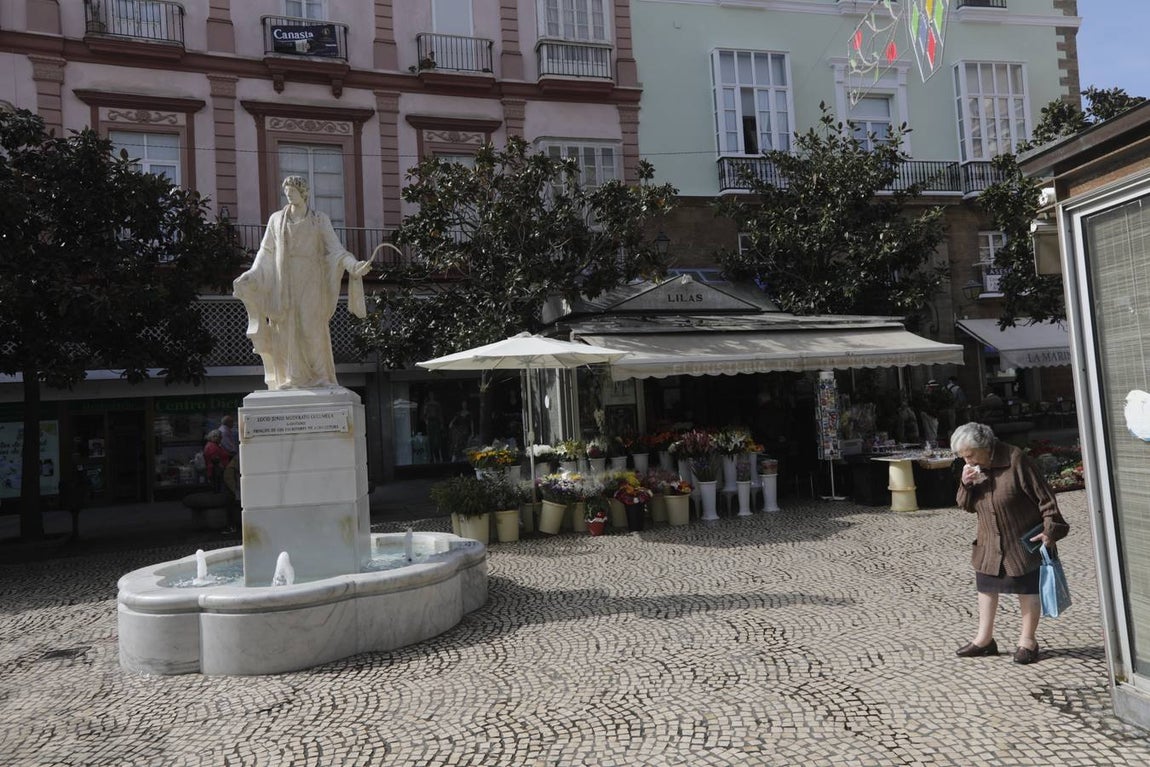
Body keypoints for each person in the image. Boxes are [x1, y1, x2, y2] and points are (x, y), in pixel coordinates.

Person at [233, 175, 373, 390]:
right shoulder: (276, 219)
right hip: (284, 281)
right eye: (286, 192)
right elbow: (266, 250)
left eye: (293, 191)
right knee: (287, 329)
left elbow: (336, 250)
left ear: (303, 192)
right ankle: (292, 377)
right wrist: (253, 272)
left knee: (311, 327)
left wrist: (353, 265)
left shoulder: (319, 219)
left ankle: (321, 376)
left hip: (311, 280)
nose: (289, 195)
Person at [950, 422, 1069, 664]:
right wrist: (966, 484)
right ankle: (984, 640)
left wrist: (1050, 530)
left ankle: (1028, 641)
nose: (967, 461)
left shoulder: (1016, 460)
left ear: (986, 447)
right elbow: (965, 505)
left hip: (1021, 541)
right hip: (989, 541)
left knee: (1027, 588)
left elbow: (1045, 498)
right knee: (986, 587)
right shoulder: (973, 467)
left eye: (970, 455)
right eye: (963, 457)